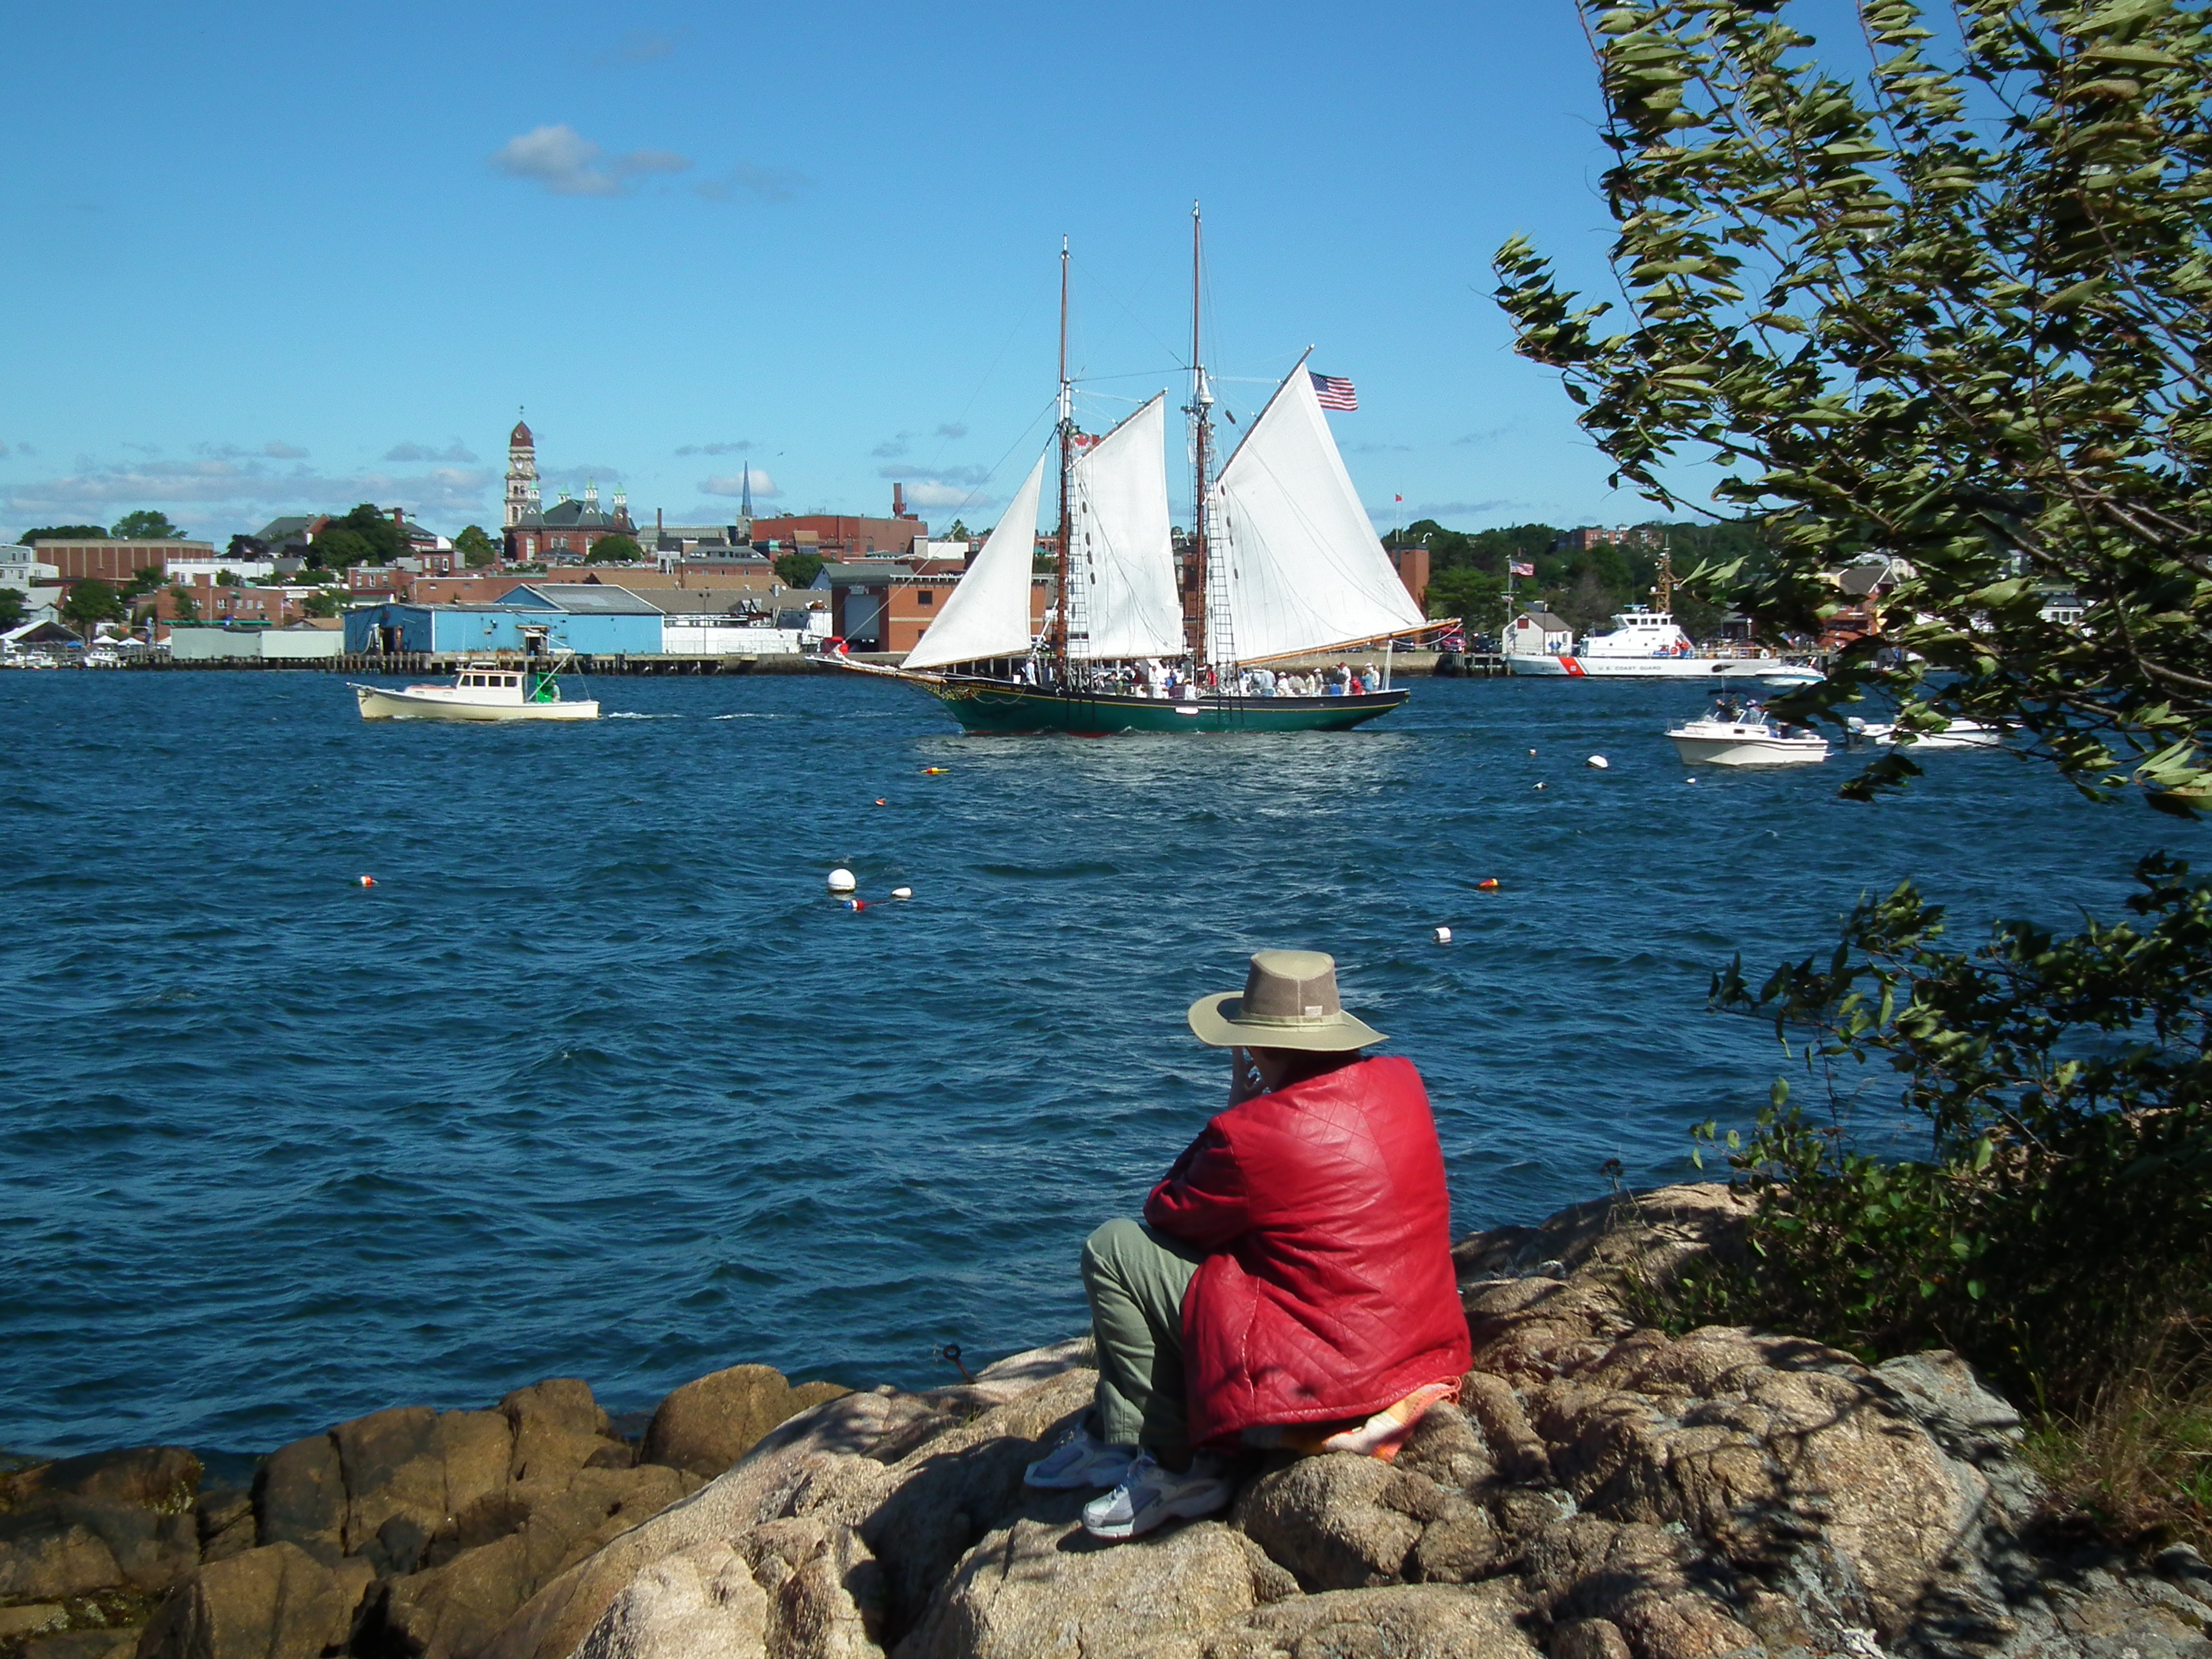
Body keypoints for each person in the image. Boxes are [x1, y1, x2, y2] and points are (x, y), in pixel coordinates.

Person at [1025, 950, 1472, 1541]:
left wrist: (1237, 1114)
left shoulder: (1254, 1134)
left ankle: (1179, 1466)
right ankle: (1119, 1429)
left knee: (1114, 1250)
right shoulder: (1402, 1085)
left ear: (1257, 1045)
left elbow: (1167, 1212)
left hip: (1329, 1376)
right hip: (1417, 1346)